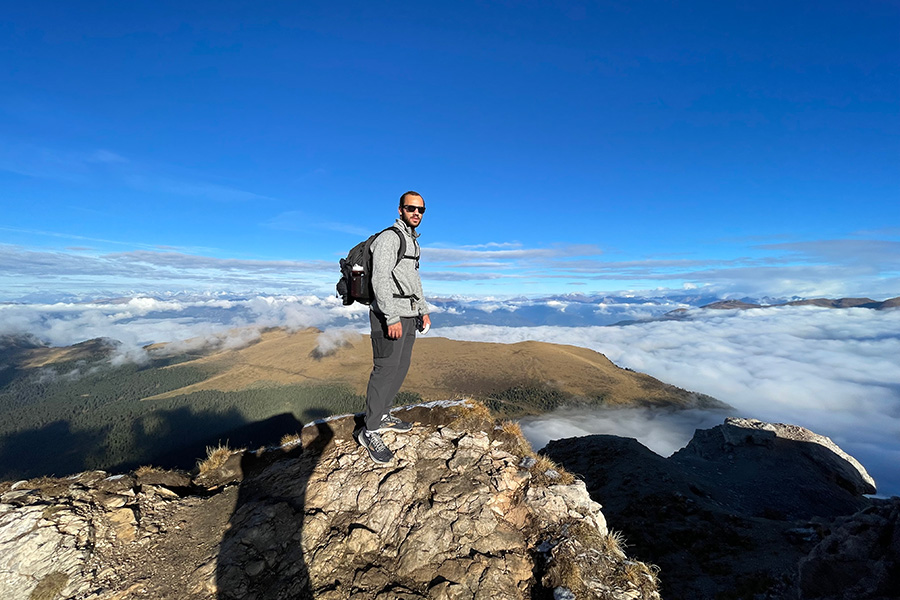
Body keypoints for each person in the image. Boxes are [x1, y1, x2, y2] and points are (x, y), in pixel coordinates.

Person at [356, 191, 431, 463]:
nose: (416, 213)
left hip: (408, 313)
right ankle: (370, 430)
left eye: (421, 210)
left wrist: (423, 309)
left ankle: (384, 413)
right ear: (400, 210)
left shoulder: (412, 241)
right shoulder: (391, 238)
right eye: (411, 208)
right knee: (385, 369)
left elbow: (414, 279)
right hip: (390, 315)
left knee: (400, 367)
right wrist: (390, 317)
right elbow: (379, 279)